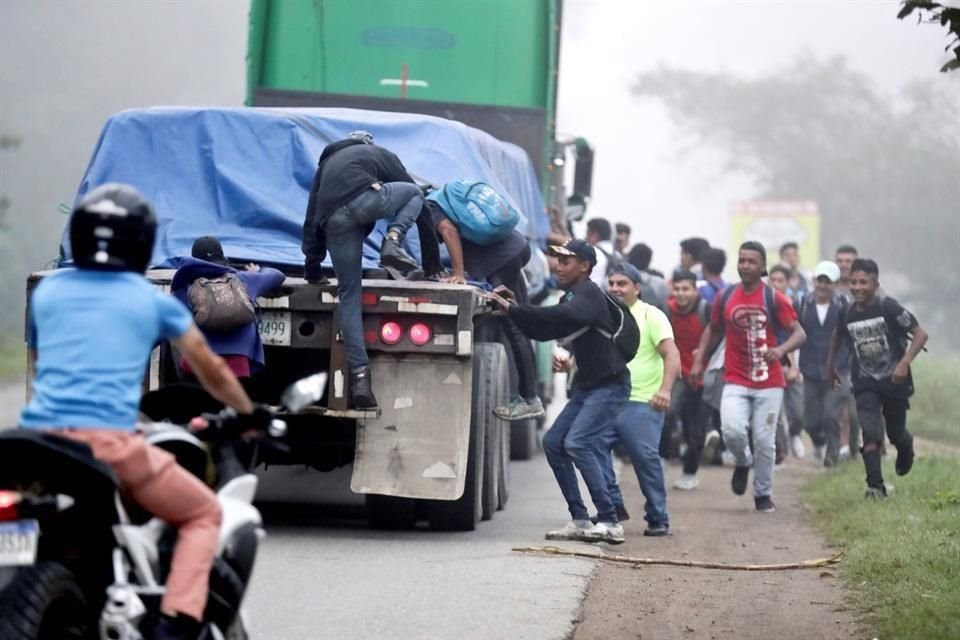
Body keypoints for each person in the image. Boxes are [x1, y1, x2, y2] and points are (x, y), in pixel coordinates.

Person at [20, 184, 259, 640]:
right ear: (142, 241)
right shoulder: (152, 302)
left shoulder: (47, 294)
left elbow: (44, 359)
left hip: (36, 443)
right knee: (203, 514)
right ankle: (174, 625)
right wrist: (247, 412)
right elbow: (211, 370)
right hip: (106, 444)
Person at [488, 239, 631, 544]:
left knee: (578, 443)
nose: (558, 266)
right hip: (589, 387)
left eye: (566, 261)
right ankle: (580, 519)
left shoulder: (589, 294)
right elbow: (542, 329)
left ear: (585, 266)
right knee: (554, 443)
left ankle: (610, 521)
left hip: (610, 387)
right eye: (558, 260)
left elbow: (556, 317)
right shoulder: (572, 297)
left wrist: (517, 308)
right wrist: (515, 310)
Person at [301, 131, 441, 409]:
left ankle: (361, 379)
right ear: (367, 143)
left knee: (349, 295)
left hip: (334, 222)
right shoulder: (380, 154)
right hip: (363, 202)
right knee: (415, 192)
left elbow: (311, 215)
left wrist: (313, 269)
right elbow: (419, 203)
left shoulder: (326, 165)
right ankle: (392, 243)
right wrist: (432, 265)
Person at [690, 241, 806, 513]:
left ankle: (763, 494)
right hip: (735, 378)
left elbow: (799, 333)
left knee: (765, 441)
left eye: (751, 261)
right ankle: (742, 461)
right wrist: (698, 360)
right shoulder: (727, 295)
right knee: (731, 430)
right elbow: (713, 329)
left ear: (763, 266)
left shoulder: (775, 298)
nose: (745, 266)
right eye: (742, 260)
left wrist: (781, 350)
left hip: (769, 383)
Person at [423, 197, 544, 420]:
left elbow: (448, 230)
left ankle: (530, 399)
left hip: (502, 257)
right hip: (515, 247)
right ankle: (531, 396)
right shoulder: (446, 201)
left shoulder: (429, 206)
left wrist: (458, 273)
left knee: (512, 324)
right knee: (520, 322)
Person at [828, 259, 928, 498]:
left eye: (864, 282)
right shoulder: (846, 312)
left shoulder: (888, 307)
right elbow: (837, 335)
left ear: (875, 284)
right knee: (870, 432)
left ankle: (905, 446)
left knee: (895, 433)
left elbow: (920, 335)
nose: (857, 287)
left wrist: (904, 363)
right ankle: (875, 486)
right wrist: (830, 366)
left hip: (894, 381)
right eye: (853, 282)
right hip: (865, 383)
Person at [595, 263, 679, 536]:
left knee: (645, 458)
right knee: (590, 446)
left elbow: (671, 355)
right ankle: (612, 506)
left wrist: (665, 390)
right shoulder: (603, 315)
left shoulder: (650, 315)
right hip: (608, 400)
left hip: (642, 401)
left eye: (622, 284)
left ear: (637, 288)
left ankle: (658, 516)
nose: (615, 288)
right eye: (612, 283)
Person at [171, 236, 285, 380]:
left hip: (197, 366)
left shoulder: (185, 289)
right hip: (238, 366)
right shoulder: (244, 279)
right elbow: (277, 275)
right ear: (222, 258)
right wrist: (257, 271)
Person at [796, 261, 850, 467]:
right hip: (810, 370)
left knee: (831, 415)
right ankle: (819, 442)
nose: (823, 286)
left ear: (835, 284)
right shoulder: (802, 304)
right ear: (814, 281)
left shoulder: (843, 306)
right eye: (820, 280)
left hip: (838, 370)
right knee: (810, 421)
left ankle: (832, 456)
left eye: (828, 282)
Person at [665, 270, 715, 490]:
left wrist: (703, 356)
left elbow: (719, 336)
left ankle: (689, 472)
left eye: (685, 289)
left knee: (697, 429)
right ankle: (663, 459)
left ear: (695, 291)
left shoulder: (706, 310)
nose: (681, 294)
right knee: (667, 414)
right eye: (677, 289)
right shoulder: (667, 311)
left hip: (705, 378)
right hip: (679, 375)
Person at [768, 264, 805, 461]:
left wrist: (794, 366)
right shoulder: (764, 305)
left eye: (780, 280)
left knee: (797, 411)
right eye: (772, 280)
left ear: (788, 283)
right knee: (774, 412)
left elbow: (798, 337)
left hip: (793, 362)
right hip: (771, 364)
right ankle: (780, 451)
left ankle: (795, 433)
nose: (775, 284)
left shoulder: (795, 306)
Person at [832, 243, 862, 458]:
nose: (844, 265)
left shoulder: (867, 289)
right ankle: (842, 445)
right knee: (841, 403)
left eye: (848, 261)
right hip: (838, 357)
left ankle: (856, 443)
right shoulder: (829, 289)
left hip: (863, 358)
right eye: (840, 261)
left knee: (856, 409)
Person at [624, 242, 669, 313]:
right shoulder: (660, 284)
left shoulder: (614, 281)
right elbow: (664, 311)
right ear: (649, 261)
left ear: (629, 258)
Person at [585, 217, 618, 287]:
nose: (585, 237)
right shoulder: (617, 255)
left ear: (595, 235)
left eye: (587, 233)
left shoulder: (592, 252)